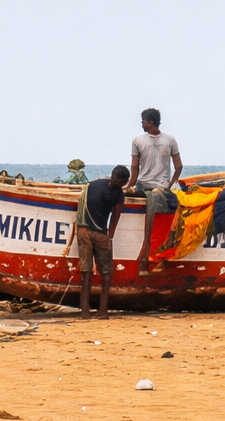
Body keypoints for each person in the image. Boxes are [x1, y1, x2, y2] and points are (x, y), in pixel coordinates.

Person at [130, 108, 181, 274]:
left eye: (143, 121)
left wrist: (129, 186)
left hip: (143, 186)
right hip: (162, 188)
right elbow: (179, 166)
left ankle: (145, 258)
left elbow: (134, 168)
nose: (142, 125)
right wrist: (169, 185)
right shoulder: (170, 140)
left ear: (149, 122)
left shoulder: (137, 140)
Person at [76, 165, 129, 317]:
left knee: (86, 270)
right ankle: (102, 310)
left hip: (83, 230)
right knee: (106, 272)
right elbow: (116, 216)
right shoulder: (118, 194)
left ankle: (85, 310)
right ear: (124, 182)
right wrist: (109, 235)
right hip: (100, 234)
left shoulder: (92, 184)